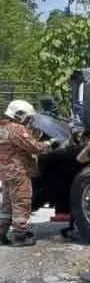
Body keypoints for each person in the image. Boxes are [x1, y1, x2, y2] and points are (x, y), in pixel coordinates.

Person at [0, 100, 54, 247]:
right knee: (21, 203)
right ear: (19, 115)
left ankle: (1, 233)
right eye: (28, 117)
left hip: (5, 173)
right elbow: (34, 147)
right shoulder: (17, 129)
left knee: (7, 205)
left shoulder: (2, 128)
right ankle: (20, 236)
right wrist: (50, 144)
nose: (30, 120)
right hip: (19, 172)